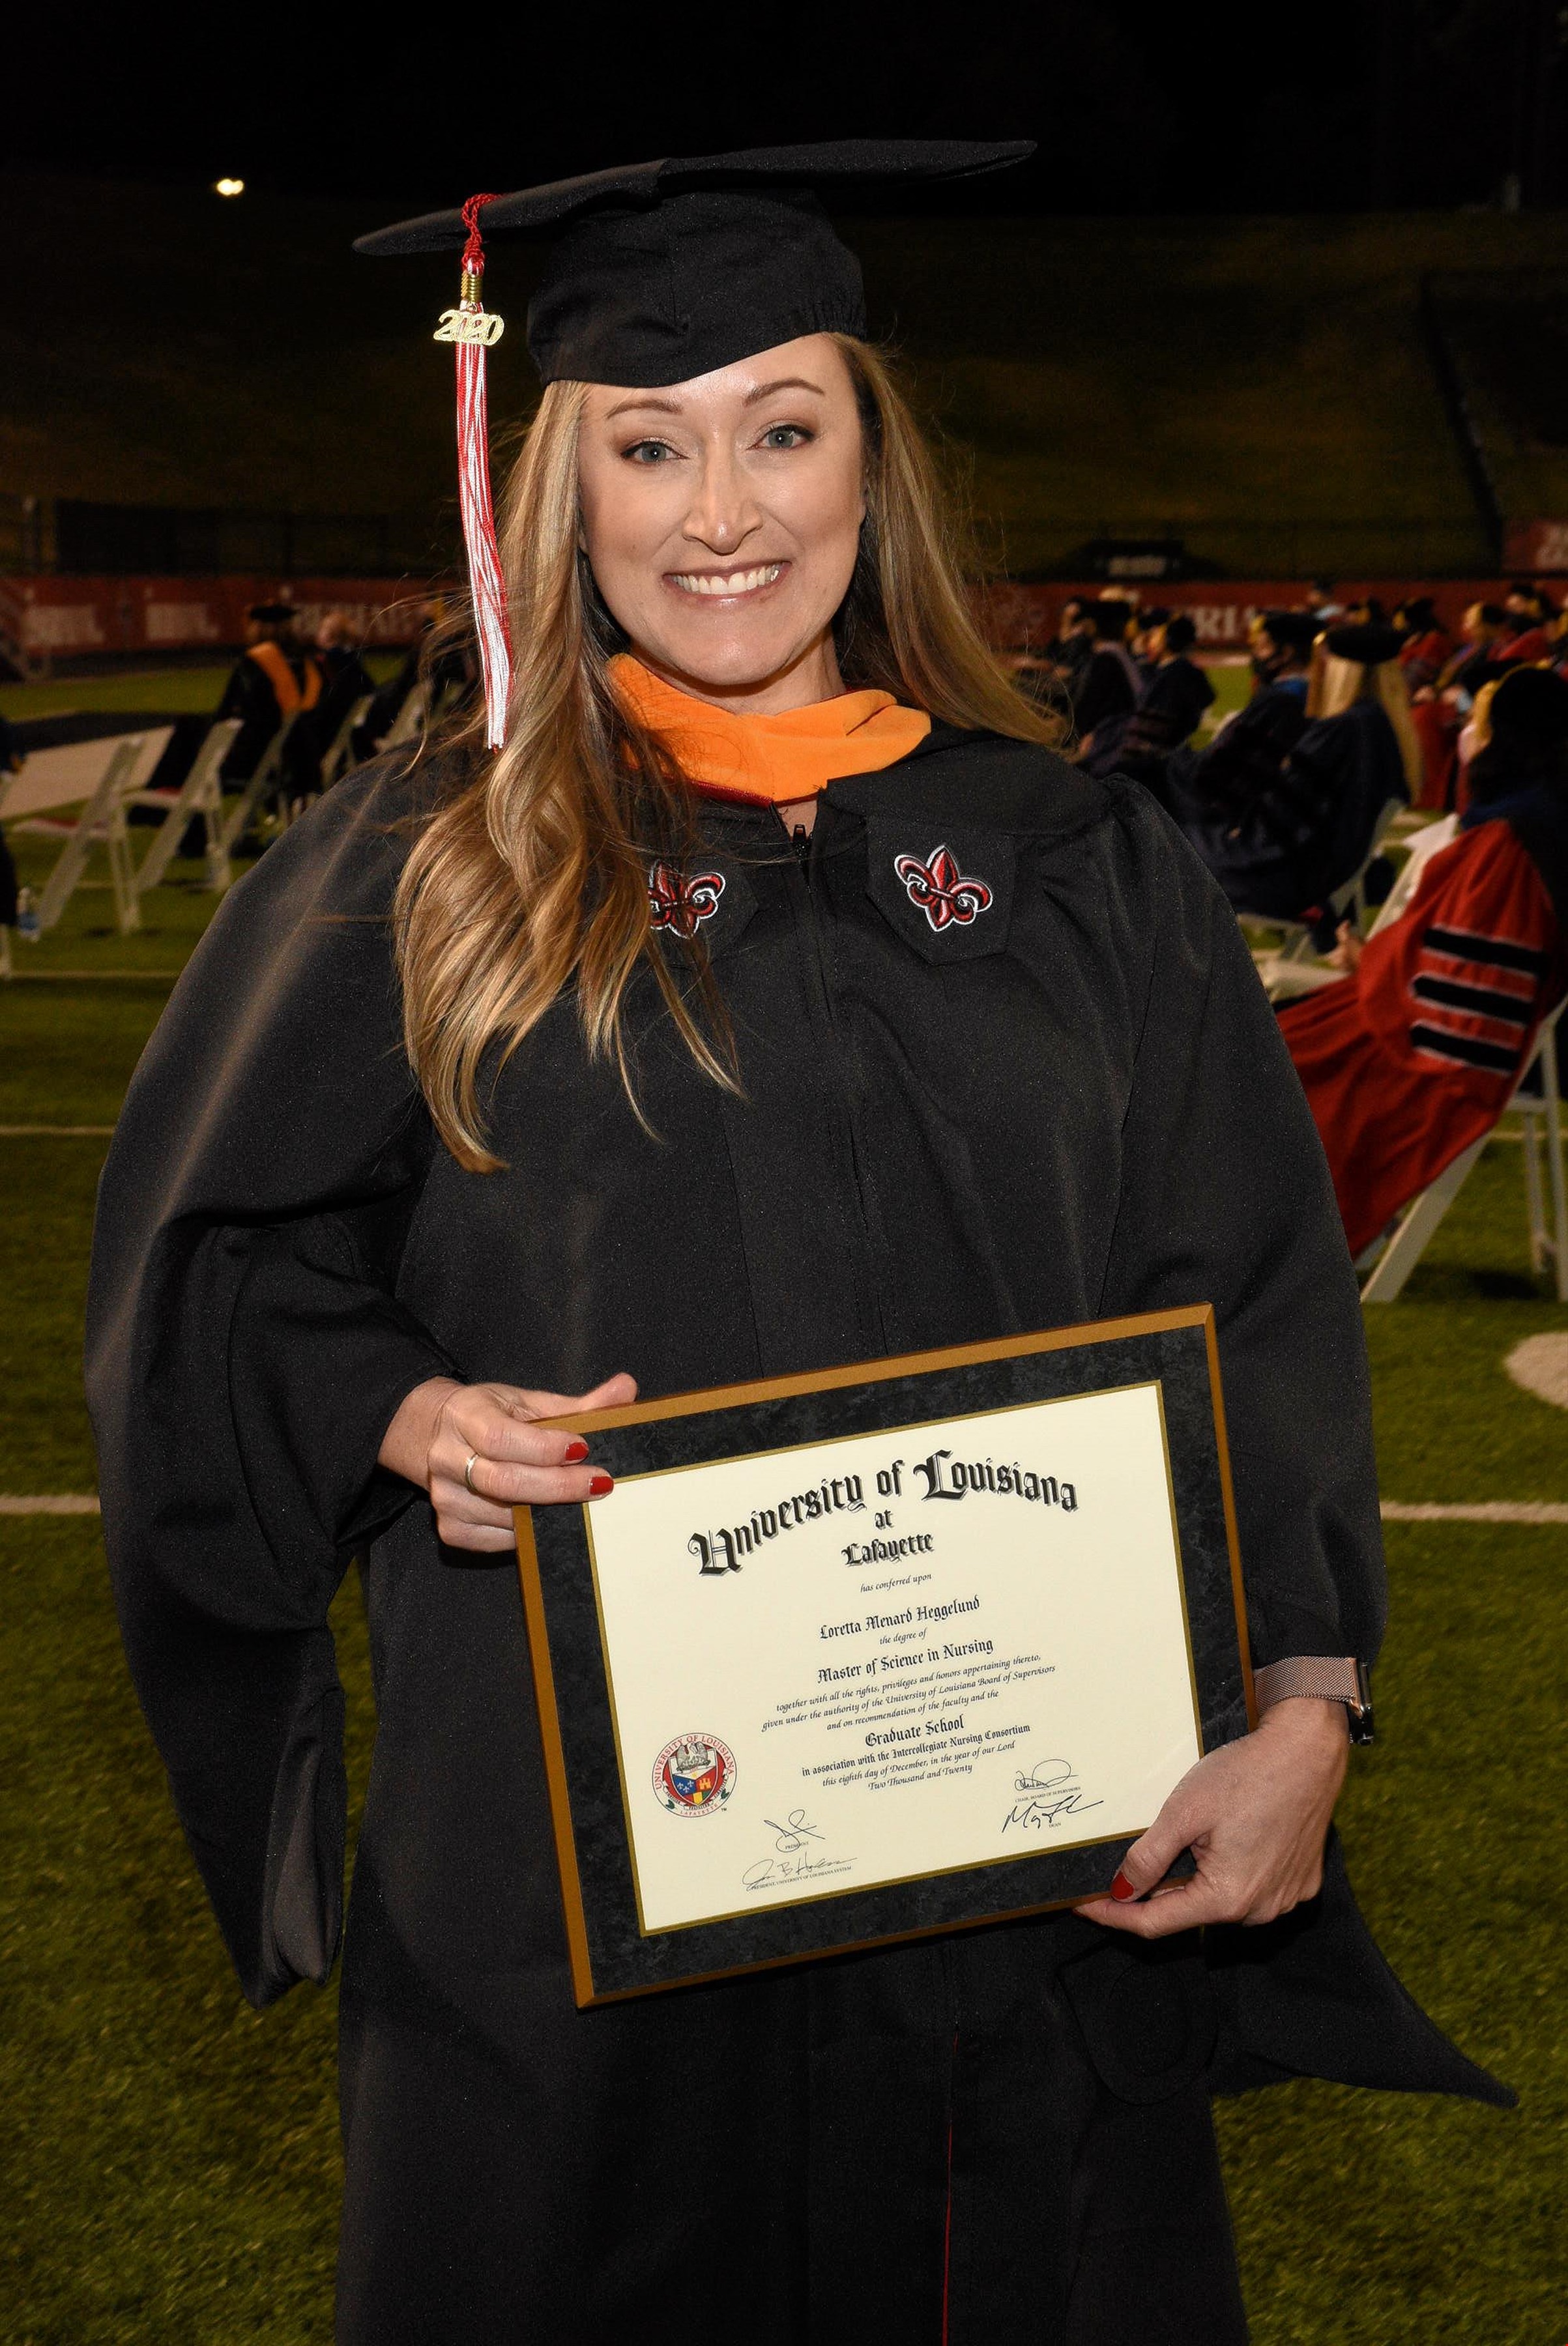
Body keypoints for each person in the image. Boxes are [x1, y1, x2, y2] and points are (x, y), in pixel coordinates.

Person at [87, 142, 1503, 2346]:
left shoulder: (1071, 862)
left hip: (1019, 1834)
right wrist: (409, 1412)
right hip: (572, 1852)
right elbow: (224, 1278)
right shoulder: (428, 863)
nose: (716, 510)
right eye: (647, 445)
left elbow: (1240, 1290)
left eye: (781, 428)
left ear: (873, 462)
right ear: (561, 484)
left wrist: (1303, 1704)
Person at [1279, 665, 1568, 1256]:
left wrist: (1373, 960)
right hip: (1431, 1012)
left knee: (1272, 1065)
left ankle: (1264, 1234)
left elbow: (1459, 995)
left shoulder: (1513, 840)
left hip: (1439, 1048)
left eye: (1482, 726)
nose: (1471, 735)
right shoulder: (1541, 814)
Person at [1161, 625, 1413, 933]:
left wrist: (1240, 832)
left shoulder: (1342, 729)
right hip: (1315, 872)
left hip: (1283, 876)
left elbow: (1282, 817)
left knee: (1162, 849)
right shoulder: (1381, 726)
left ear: (1342, 670)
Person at [1079, 611, 1214, 781]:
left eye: (1153, 635)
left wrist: (1100, 748)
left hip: (1142, 767)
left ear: (1168, 640)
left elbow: (1141, 743)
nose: (1147, 640)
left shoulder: (1171, 679)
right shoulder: (1169, 673)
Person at [214, 601, 324, 795]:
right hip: (303, 756)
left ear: (258, 628)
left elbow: (226, 712)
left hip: (258, 759)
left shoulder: (255, 662)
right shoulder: (307, 663)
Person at [1069, 598, 1140, 753]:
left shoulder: (1106, 661)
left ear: (1094, 626)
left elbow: (1088, 709)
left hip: (1103, 745)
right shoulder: (1121, 657)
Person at [312, 608, 377, 770]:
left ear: (329, 635)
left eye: (322, 629)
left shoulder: (326, 663)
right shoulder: (354, 663)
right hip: (350, 733)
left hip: (327, 734)